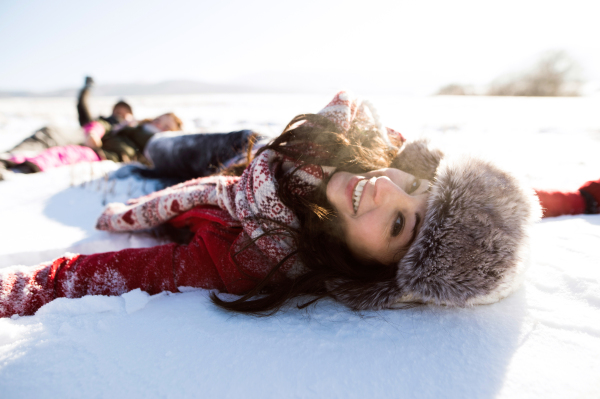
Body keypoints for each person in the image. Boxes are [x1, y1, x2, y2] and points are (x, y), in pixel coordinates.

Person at [0, 92, 541, 318]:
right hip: (246, 148)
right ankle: (140, 132)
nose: (387, 188)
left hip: (207, 187)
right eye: (418, 183)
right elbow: (501, 212)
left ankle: (123, 136)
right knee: (163, 145)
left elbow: (112, 273)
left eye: (401, 223)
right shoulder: (362, 150)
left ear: (369, 271)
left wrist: (19, 291)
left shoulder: (248, 258)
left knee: (147, 155)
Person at [0, 112, 183, 175]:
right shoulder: (131, 125)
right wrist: (95, 132)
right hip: (96, 145)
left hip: (105, 156)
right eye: (159, 119)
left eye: (165, 125)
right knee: (55, 144)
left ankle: (24, 168)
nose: (159, 124)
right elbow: (104, 123)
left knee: (64, 154)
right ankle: (12, 161)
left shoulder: (155, 144)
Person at [1, 76, 133, 157]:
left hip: (91, 149)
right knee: (49, 132)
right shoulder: (102, 122)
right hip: (81, 136)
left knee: (50, 136)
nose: (119, 115)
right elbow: (83, 108)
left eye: (123, 113)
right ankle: (8, 157)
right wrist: (87, 89)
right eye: (116, 111)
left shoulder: (134, 130)